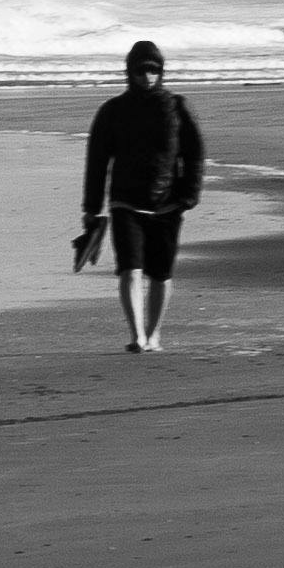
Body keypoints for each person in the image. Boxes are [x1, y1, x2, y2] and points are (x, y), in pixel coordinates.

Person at [76, 39, 206, 353]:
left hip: (168, 205)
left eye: (153, 70)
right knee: (129, 268)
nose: (147, 77)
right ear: (130, 72)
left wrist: (188, 196)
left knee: (161, 274)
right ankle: (137, 336)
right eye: (141, 71)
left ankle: (154, 334)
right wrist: (91, 209)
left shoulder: (177, 108)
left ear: (161, 72)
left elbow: (195, 154)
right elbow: (96, 162)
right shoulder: (112, 111)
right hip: (125, 203)